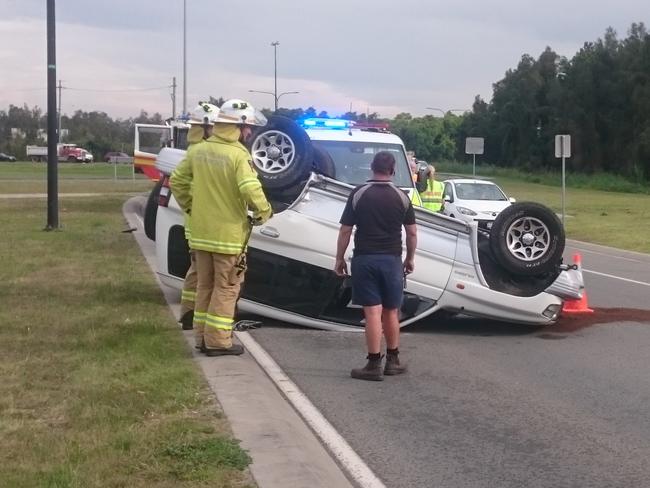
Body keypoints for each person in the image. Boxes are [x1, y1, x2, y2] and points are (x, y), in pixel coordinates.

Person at [170, 99, 272, 356]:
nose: (249, 132)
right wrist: (264, 211)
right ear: (237, 126)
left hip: (201, 234)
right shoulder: (238, 155)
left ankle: (201, 338)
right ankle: (218, 342)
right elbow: (250, 188)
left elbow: (177, 181)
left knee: (204, 286)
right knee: (226, 288)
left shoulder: (199, 150)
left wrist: (191, 208)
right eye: (247, 127)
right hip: (227, 237)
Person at [334, 151, 417, 381]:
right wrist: (409, 258)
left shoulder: (359, 194)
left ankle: (373, 364)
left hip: (365, 258)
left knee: (372, 312)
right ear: (392, 170)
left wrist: (339, 258)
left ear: (372, 168)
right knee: (391, 310)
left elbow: (345, 230)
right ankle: (393, 360)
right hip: (391, 260)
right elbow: (411, 232)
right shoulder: (401, 196)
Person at [178, 102, 220, 330]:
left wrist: (189, 207)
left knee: (195, 270)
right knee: (201, 273)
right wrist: (191, 206)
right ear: (206, 127)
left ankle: (188, 311)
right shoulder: (202, 152)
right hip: (200, 221)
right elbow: (179, 181)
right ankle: (191, 314)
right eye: (215, 126)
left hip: (195, 220)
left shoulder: (194, 150)